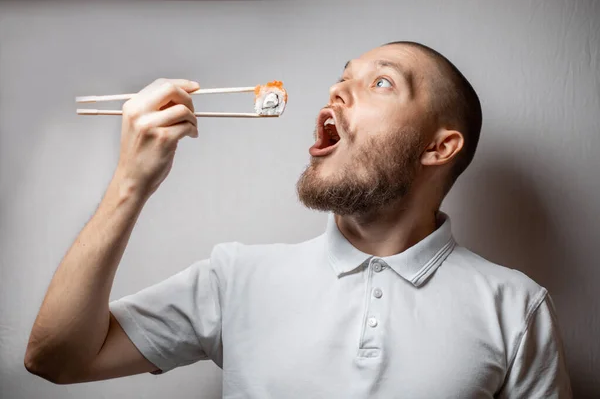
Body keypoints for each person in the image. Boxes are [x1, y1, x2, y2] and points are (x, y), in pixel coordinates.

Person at [24, 41, 572, 398]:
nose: (337, 90)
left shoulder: (515, 308)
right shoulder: (233, 278)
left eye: (381, 83)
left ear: (438, 147)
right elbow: (57, 358)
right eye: (342, 78)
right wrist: (131, 182)